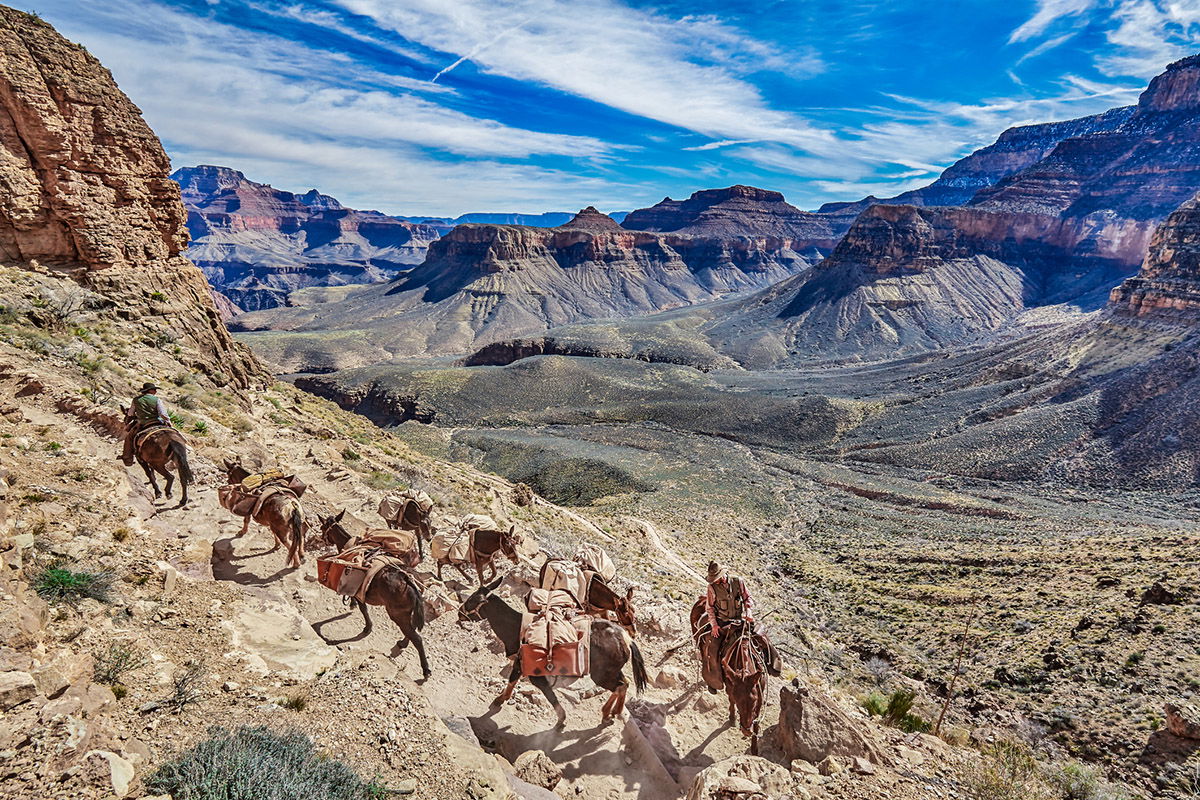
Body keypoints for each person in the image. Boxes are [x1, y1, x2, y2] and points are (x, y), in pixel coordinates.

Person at [121, 382, 171, 465]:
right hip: (158, 422)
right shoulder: (157, 400)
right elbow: (163, 414)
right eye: (155, 389)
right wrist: (168, 421)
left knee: (130, 437)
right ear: (151, 391)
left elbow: (130, 414)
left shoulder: (136, 400)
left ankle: (127, 457)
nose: (156, 391)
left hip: (143, 423)